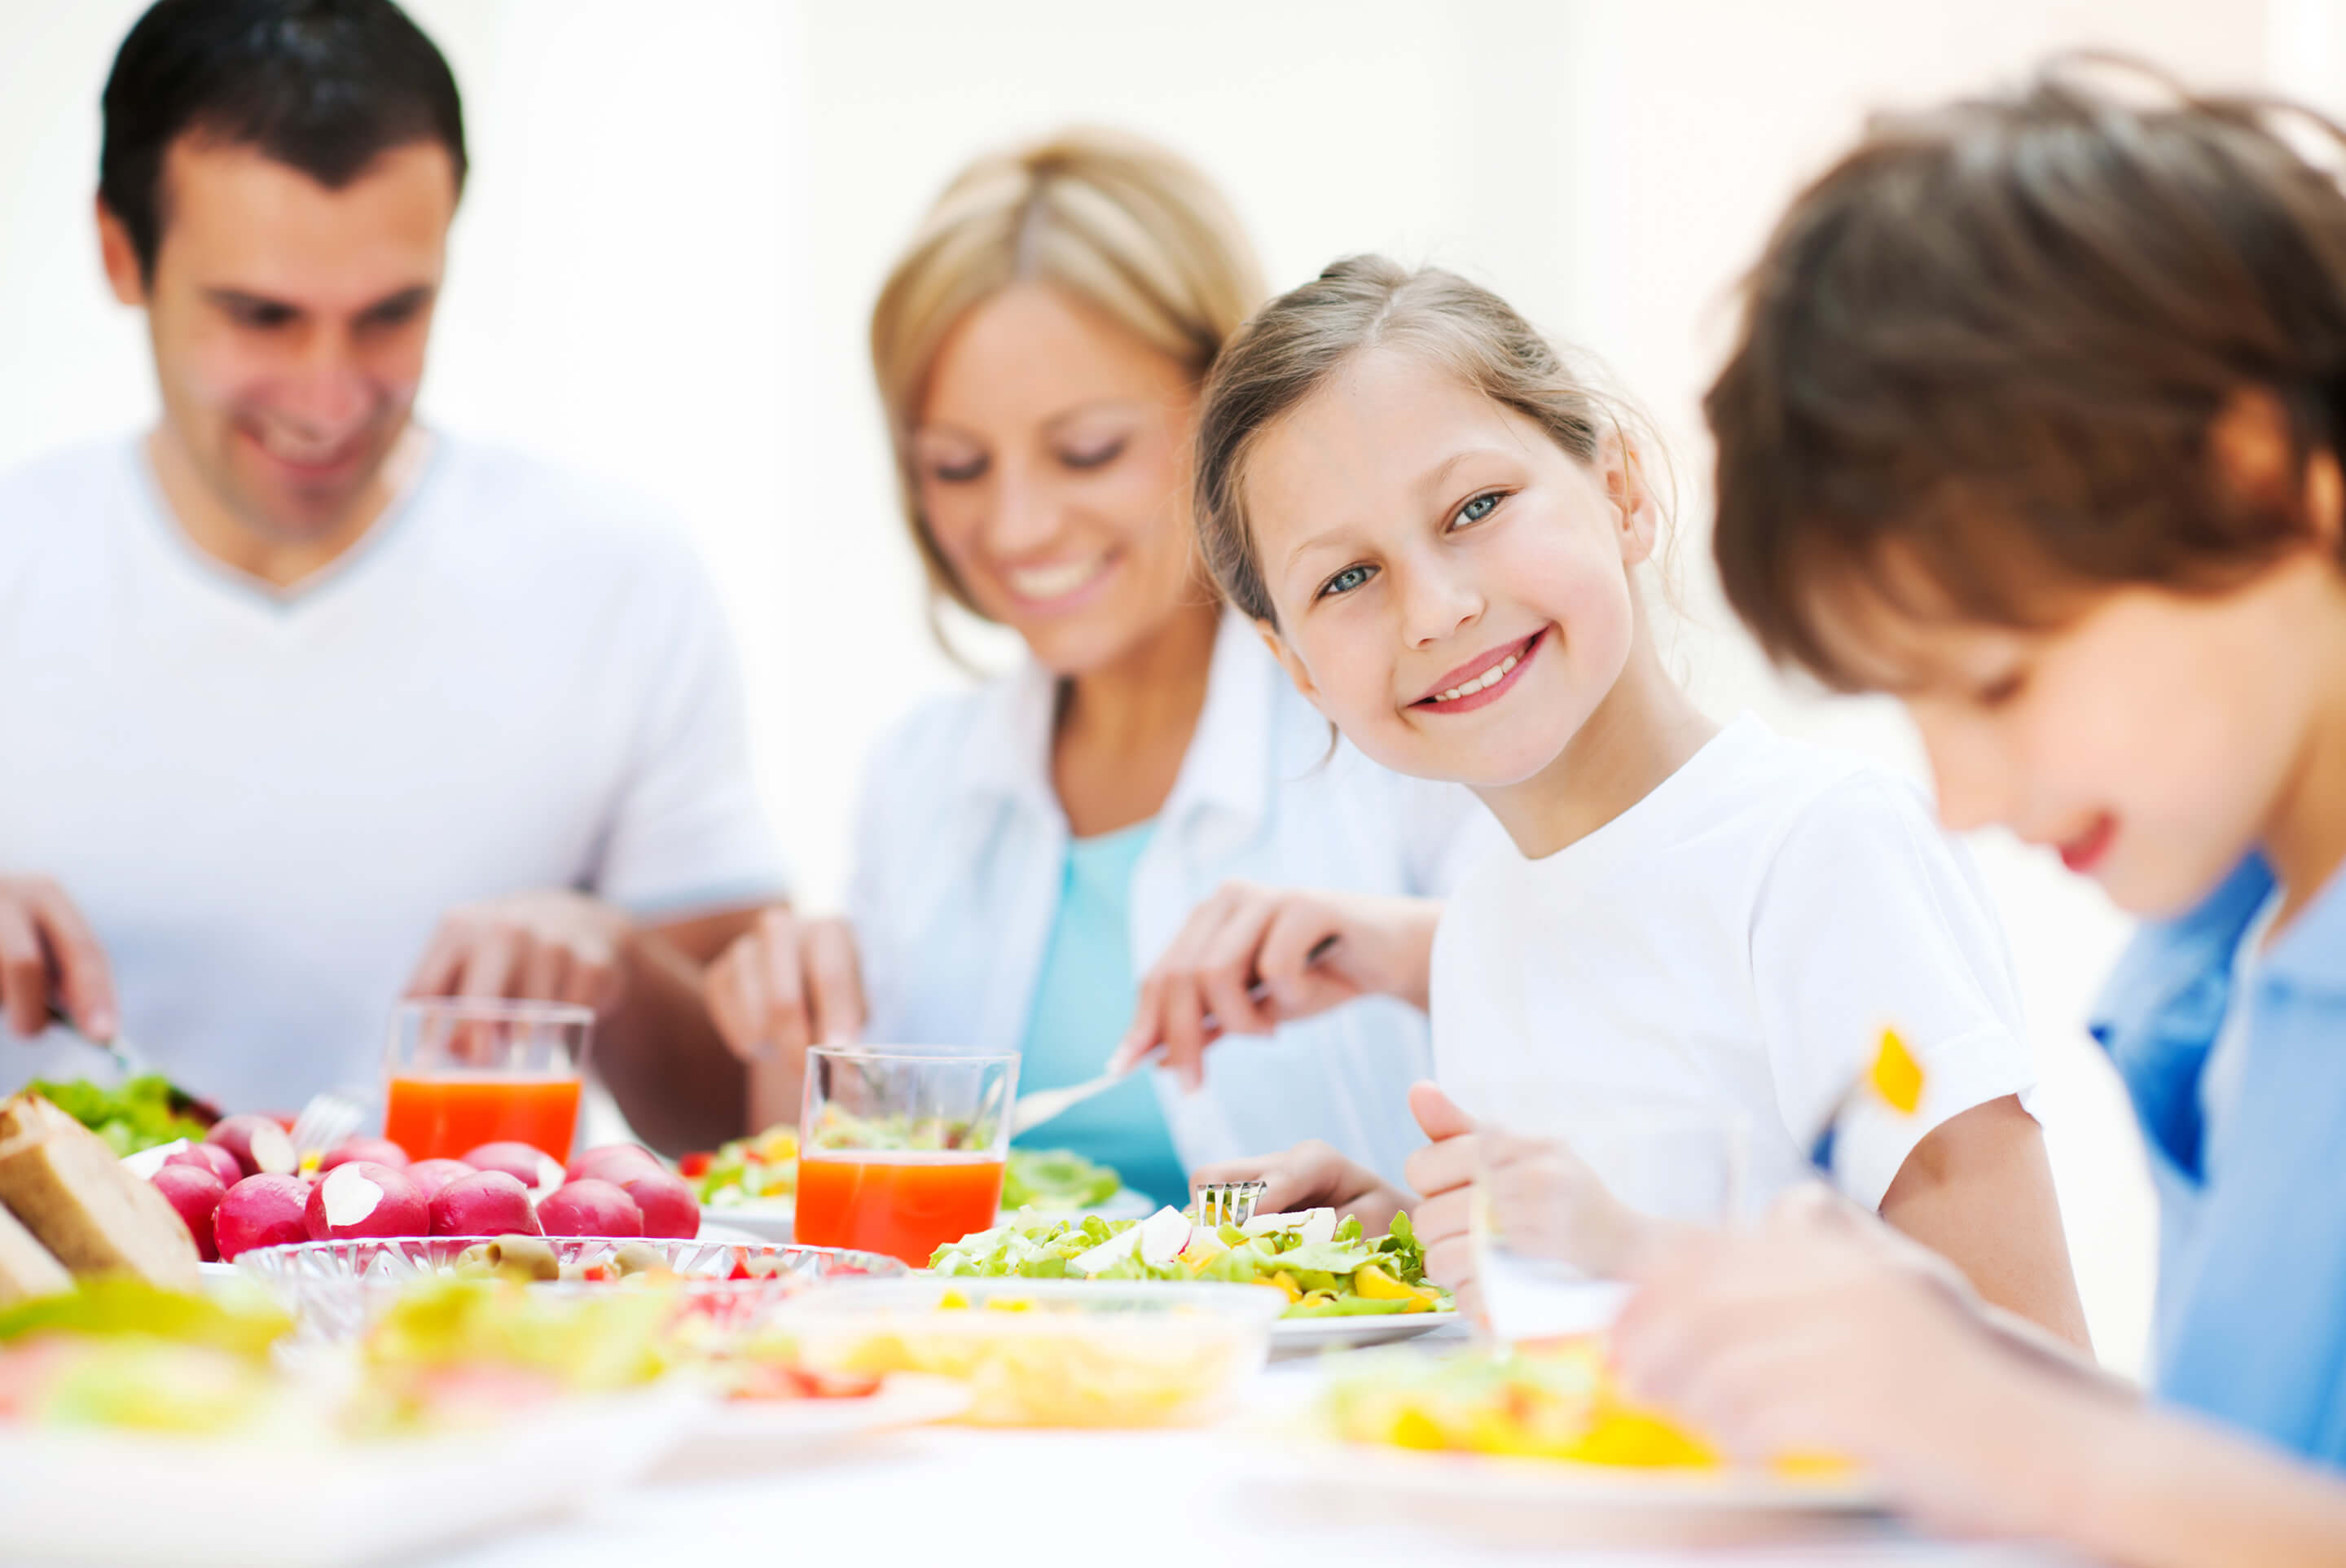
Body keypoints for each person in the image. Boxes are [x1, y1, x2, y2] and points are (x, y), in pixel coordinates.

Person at [1596, 66, 2346, 1563]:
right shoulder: (2229, 956)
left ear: (2263, 480)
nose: (1959, 797)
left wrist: (2019, 1434)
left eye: (1997, 685)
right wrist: (1960, 1379)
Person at [1152, 253, 2085, 1337]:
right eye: (1346, 578)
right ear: (1297, 666)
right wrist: (1408, 1245)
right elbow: (1600, 1344)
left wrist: (1626, 1253)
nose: (1436, 607)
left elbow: (2034, 1353)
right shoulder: (1486, 925)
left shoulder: (1825, 853)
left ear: (1622, 491)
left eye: (1476, 506)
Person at [0, 0, 784, 1151]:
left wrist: (616, 966)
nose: (329, 397)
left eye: (392, 314)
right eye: (261, 316)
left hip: (479, 1313)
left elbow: (741, 1124)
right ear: (121, 254)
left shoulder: (616, 579)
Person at [702, 132, 1487, 1206]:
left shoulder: (1415, 719)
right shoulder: (917, 779)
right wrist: (787, 1037)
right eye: (957, 467)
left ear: (1228, 416)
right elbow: (826, 1219)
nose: (1017, 525)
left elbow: (1598, 1048)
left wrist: (1411, 951)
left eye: (1087, 452)